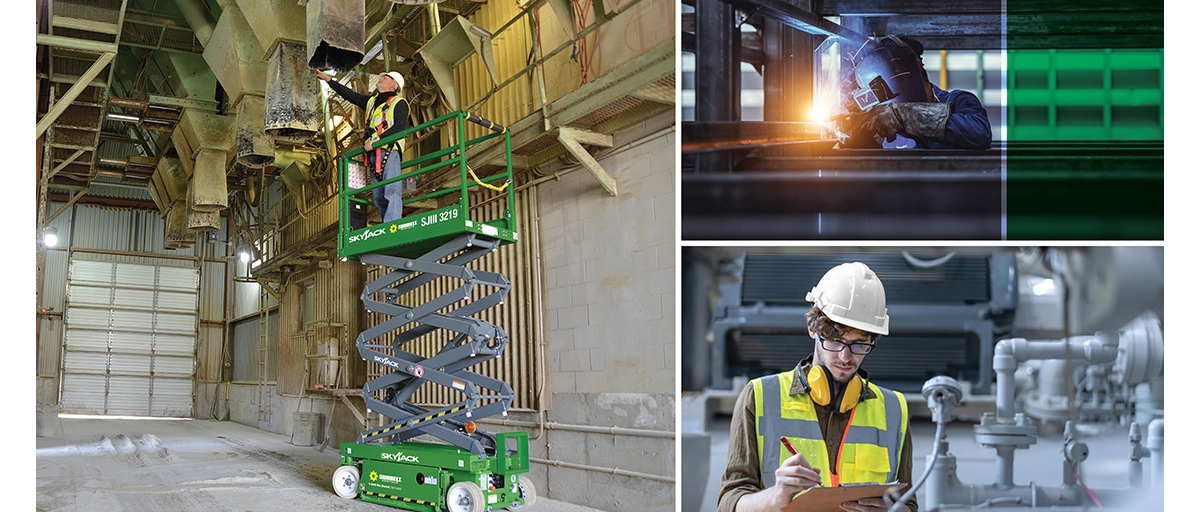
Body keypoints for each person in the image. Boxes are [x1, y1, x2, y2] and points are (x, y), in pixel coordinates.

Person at [717, 262, 917, 512]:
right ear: (813, 329)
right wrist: (774, 496)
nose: (846, 357)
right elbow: (728, 502)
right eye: (836, 341)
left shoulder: (894, 410)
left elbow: (908, 503)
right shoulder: (759, 397)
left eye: (859, 345)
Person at [844, 35, 991, 150]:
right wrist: (862, 142)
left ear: (916, 67)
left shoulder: (958, 100)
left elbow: (980, 133)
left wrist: (906, 116)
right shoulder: (888, 126)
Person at [315, 69, 410, 223]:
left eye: (385, 77)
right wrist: (328, 80)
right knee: (378, 196)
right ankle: (387, 224)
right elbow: (350, 96)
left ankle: (392, 226)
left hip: (389, 151)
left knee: (391, 190)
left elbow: (399, 128)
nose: (380, 78)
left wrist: (377, 140)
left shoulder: (399, 103)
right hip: (373, 153)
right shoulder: (372, 103)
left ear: (393, 84)